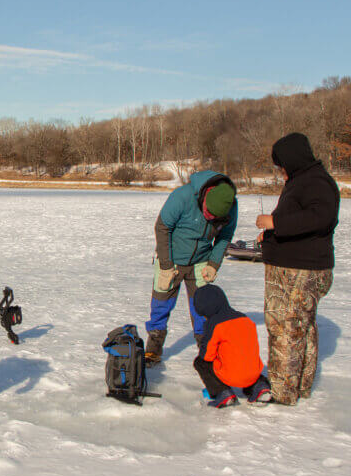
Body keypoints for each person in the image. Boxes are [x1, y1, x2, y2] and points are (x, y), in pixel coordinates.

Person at [255, 133, 339, 405]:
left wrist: (275, 224)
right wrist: (269, 236)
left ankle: (283, 392)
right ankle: (296, 386)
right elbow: (301, 221)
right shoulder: (304, 181)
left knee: (286, 327)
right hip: (292, 266)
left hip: (299, 271)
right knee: (299, 326)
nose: (280, 171)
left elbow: (321, 217)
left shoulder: (316, 182)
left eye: (281, 165)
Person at [144, 170, 238, 365]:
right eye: (207, 213)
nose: (209, 218)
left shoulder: (230, 205)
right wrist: (166, 265)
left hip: (201, 260)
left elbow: (224, 237)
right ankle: (153, 348)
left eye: (214, 217)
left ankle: (206, 349)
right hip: (172, 258)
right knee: (161, 303)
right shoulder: (182, 196)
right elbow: (162, 227)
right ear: (204, 197)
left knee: (203, 308)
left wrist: (213, 264)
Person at [192, 284, 272, 408]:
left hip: (230, 375)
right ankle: (260, 386)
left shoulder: (214, 323)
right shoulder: (245, 319)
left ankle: (222, 392)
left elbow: (207, 356)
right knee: (246, 366)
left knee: (200, 362)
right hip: (253, 373)